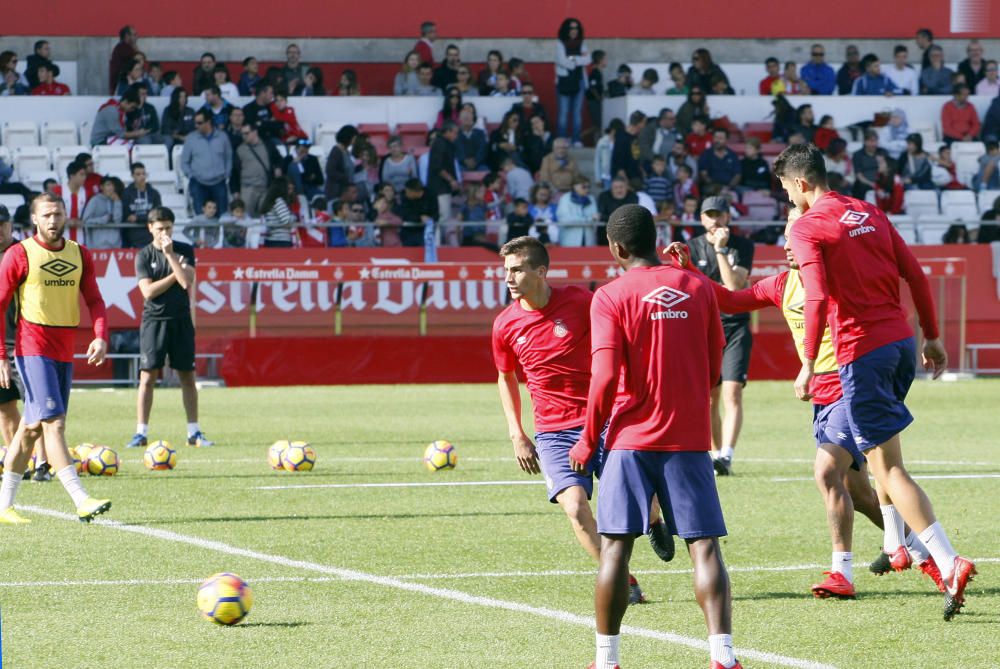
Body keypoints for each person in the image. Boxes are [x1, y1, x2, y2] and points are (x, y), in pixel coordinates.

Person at [668, 209, 942, 600]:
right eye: (784, 237)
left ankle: (842, 572)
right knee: (860, 492)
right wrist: (691, 269)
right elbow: (729, 299)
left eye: (795, 236)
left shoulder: (838, 281)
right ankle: (927, 553)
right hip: (823, 398)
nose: (787, 245)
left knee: (827, 472)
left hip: (850, 386)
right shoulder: (781, 285)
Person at [775, 142, 977, 621]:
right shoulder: (868, 210)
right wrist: (931, 335)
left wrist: (807, 361)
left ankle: (948, 561)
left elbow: (818, 296)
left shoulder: (808, 226)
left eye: (787, 191)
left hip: (860, 353)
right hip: (899, 346)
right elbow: (915, 273)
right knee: (875, 452)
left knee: (888, 468)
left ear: (801, 183)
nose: (789, 202)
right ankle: (895, 542)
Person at [569, 204, 739, 669]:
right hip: (687, 438)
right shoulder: (696, 287)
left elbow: (603, 377)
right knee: (704, 546)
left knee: (616, 548)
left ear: (616, 248)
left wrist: (587, 438)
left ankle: (606, 661)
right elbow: (713, 366)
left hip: (628, 440)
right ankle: (723, 656)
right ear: (655, 237)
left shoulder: (609, 296)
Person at [494, 236, 673, 608]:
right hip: (553, 433)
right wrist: (517, 433)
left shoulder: (580, 302)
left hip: (602, 420)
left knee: (632, 499)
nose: (508, 277)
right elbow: (505, 377)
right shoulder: (505, 325)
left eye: (516, 269)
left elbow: (618, 341)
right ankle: (624, 580)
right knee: (576, 508)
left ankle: (654, 518)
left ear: (541, 271)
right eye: (505, 270)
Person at [0, 194, 112, 525]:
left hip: (64, 351)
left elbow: (95, 299)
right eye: (46, 215)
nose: (53, 220)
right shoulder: (18, 254)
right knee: (55, 423)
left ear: (66, 216)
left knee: (31, 429)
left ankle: (4, 505)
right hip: (31, 348)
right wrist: (1, 357)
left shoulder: (80, 254)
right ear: (34, 219)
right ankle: (80, 499)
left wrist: (100, 334)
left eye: (58, 214)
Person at [121, 205, 213, 449]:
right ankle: (141, 433)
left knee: (187, 376)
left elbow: (186, 282)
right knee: (147, 377)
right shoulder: (144, 255)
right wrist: (176, 272)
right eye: (160, 228)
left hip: (181, 320)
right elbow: (148, 292)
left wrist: (171, 256)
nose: (164, 233)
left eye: (169, 228)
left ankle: (194, 431)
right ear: (150, 228)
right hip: (154, 322)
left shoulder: (183, 249)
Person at [687, 196, 754, 476]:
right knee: (710, 396)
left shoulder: (742, 246)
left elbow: (732, 285)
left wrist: (719, 250)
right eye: (709, 214)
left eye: (719, 214)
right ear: (701, 218)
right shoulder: (690, 248)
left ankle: (726, 454)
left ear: (728, 217)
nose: (714, 219)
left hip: (736, 325)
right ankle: (715, 456)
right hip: (704, 326)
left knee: (732, 391)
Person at [182, 110, 233, 216]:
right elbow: (184, 162)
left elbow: (228, 157)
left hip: (219, 182)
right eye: (195, 123)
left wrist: (226, 173)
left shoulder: (223, 137)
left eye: (199, 123)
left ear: (208, 122)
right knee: (200, 217)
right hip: (198, 183)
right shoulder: (191, 139)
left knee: (222, 215)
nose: (196, 126)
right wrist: (191, 175)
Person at [232, 122, 282, 216]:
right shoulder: (240, 149)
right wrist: (235, 190)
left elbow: (278, 159)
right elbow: (234, 171)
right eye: (242, 134)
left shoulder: (267, 145)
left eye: (246, 133)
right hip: (248, 188)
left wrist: (278, 167)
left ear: (255, 132)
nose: (244, 136)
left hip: (266, 187)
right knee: (245, 216)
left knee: (266, 216)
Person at [555, 18, 589, 146]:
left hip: (579, 81)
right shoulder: (559, 43)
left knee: (577, 113)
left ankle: (576, 139)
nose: (574, 31)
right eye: (571, 28)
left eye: (576, 28)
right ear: (566, 30)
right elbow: (562, 61)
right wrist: (578, 60)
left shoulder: (583, 43)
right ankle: (562, 140)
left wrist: (573, 59)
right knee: (563, 113)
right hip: (564, 81)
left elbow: (588, 59)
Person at [427, 121, 461, 243]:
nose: (456, 136)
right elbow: (438, 167)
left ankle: (439, 243)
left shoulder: (442, 144)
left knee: (443, 216)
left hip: (440, 187)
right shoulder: (440, 144)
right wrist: (451, 180)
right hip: (440, 187)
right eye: (454, 133)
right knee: (443, 216)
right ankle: (439, 244)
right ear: (447, 132)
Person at [122, 162, 162, 248]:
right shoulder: (126, 193)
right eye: (138, 174)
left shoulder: (154, 193)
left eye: (144, 174)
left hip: (151, 237)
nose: (142, 177)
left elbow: (158, 215)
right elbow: (126, 216)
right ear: (132, 176)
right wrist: (147, 217)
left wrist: (138, 218)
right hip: (132, 239)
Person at [82, 176, 124, 249]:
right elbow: (86, 220)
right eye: (108, 185)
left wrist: (117, 202)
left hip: (115, 245)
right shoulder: (94, 200)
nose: (111, 188)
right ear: (101, 187)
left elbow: (118, 220)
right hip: (98, 246)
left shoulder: (117, 200)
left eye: (112, 185)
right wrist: (104, 219)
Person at [324, 125, 358, 200]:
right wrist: (345, 178)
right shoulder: (336, 151)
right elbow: (330, 170)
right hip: (336, 192)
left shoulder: (347, 152)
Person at [109, 25, 138, 95]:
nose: (137, 37)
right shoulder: (125, 49)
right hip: (124, 84)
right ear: (127, 36)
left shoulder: (119, 47)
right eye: (134, 34)